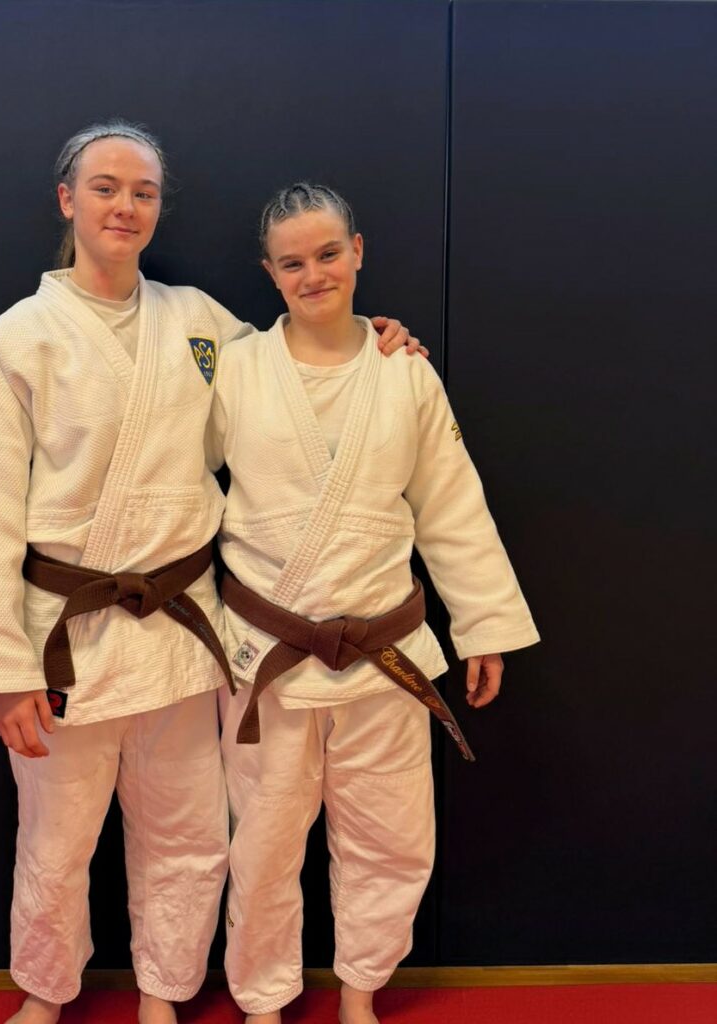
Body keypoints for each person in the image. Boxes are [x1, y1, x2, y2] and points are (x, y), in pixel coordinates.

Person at [0, 123, 418, 1024]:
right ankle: (44, 990)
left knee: (188, 836)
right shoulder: (18, 337)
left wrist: (372, 345)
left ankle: (164, 991)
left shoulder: (197, 322)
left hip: (182, 630)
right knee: (55, 840)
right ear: (67, 200)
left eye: (144, 192)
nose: (126, 206)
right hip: (66, 634)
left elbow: (293, 364)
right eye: (106, 187)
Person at [208, 183, 540, 1024]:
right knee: (261, 842)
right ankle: (262, 998)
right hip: (268, 652)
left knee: (388, 838)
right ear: (268, 273)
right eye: (292, 263)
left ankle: (359, 990)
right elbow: (175, 481)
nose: (313, 274)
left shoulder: (405, 372)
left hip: (384, 654)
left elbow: (450, 506)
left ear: (357, 251)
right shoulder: (234, 370)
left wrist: (484, 628)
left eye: (328, 254)